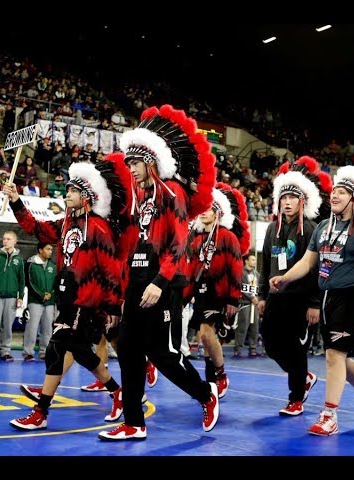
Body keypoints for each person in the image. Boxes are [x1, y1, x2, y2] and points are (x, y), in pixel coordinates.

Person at [99, 104, 219, 441]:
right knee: (129, 353)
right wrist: (125, 290)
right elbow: (136, 242)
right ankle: (134, 423)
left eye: (135, 163)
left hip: (163, 285)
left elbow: (179, 242)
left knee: (164, 356)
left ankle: (206, 395)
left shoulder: (173, 191)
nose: (131, 169)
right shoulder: (140, 195)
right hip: (137, 285)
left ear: (150, 161)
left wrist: (160, 281)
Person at [5, 155, 130, 430]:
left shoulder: (98, 227)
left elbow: (112, 269)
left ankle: (41, 411)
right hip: (69, 298)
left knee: (55, 349)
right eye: (68, 189)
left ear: (86, 196)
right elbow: (36, 228)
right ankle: (117, 391)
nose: (67, 193)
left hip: (87, 301)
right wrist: (16, 200)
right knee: (80, 352)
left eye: (73, 190)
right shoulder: (65, 223)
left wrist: (111, 307)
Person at [270, 158, 354, 436]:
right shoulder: (324, 226)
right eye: (334, 190)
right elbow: (308, 261)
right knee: (339, 358)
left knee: (333, 355)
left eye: (342, 192)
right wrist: (285, 277)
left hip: (353, 297)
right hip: (328, 297)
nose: (334, 195)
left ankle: (330, 414)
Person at [258, 156, 331, 416]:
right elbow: (265, 263)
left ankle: (296, 398)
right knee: (269, 342)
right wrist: (262, 295)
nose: (287, 203)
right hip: (276, 297)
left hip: (300, 300)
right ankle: (302, 378)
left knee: (296, 349)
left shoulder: (311, 229)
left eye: (292, 198)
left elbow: (316, 268)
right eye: (283, 198)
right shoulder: (271, 229)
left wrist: (313, 303)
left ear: (303, 201)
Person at [184, 182, 249, 399]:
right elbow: (192, 271)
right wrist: (184, 297)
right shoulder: (197, 240)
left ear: (218, 212)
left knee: (205, 332)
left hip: (220, 294)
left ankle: (221, 374)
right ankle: (212, 380)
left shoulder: (228, 237)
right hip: (201, 294)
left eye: (208, 209)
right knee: (206, 340)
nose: (203, 213)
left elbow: (237, 269)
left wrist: (233, 298)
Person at [0, 231, 25, 362]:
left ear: (15, 241)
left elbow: (21, 280)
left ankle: (5, 351)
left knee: (8, 326)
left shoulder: (19, 260)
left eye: (8, 239)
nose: (5, 241)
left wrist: (20, 297)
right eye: (4, 239)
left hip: (12, 298)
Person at [22, 242, 56, 361]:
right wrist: (41, 295)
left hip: (50, 303)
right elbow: (29, 282)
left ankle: (44, 352)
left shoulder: (53, 266)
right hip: (35, 302)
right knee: (32, 327)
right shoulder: (31, 264)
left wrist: (50, 294)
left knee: (47, 329)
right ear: (40, 250)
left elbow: (55, 284)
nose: (50, 251)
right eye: (48, 249)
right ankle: (28, 352)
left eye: (51, 249)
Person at [234, 253, 261, 358]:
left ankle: (253, 348)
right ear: (246, 261)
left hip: (255, 304)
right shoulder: (241, 273)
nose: (254, 262)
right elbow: (240, 287)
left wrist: (257, 298)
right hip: (244, 304)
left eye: (255, 260)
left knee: (255, 327)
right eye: (252, 260)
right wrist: (250, 297)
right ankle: (238, 348)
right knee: (242, 327)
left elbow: (260, 288)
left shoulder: (257, 274)